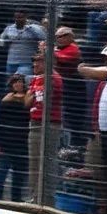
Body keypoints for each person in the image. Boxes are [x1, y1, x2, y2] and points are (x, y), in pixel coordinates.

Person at [78, 45, 107, 214]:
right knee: (100, 171)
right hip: (98, 131)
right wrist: (95, 127)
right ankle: (102, 206)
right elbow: (82, 70)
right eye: (106, 59)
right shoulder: (105, 80)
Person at [28, 51, 63, 205]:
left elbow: (48, 97)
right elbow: (27, 102)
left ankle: (46, 198)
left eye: (39, 61)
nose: (35, 64)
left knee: (47, 160)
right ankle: (34, 196)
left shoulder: (54, 79)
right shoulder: (35, 79)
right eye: (34, 61)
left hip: (49, 124)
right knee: (34, 161)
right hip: (34, 123)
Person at [0, 74, 31, 202]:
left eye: (20, 82)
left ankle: (16, 200)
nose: (18, 84)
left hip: (22, 144)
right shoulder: (5, 100)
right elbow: (0, 123)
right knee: (1, 174)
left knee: (19, 176)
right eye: (15, 82)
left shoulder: (29, 100)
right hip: (6, 142)